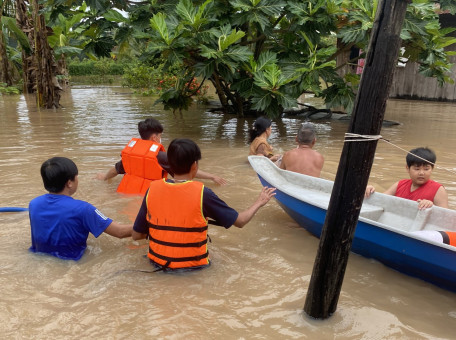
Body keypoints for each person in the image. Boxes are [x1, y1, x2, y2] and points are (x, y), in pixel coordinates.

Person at [132, 138, 276, 271]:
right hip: (192, 271)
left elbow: (137, 235)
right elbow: (240, 221)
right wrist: (260, 202)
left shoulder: (152, 189)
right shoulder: (203, 193)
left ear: (169, 164)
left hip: (156, 265)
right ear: (194, 166)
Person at [29, 157, 133, 261]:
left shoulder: (34, 204)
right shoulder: (83, 209)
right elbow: (120, 232)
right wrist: (146, 223)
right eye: (76, 176)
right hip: (72, 263)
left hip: (38, 258)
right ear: (69, 183)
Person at [96, 118, 227, 195]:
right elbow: (187, 170)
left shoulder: (131, 155)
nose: (160, 138)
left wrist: (104, 177)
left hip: (125, 194)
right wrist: (212, 176)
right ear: (154, 137)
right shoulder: (160, 156)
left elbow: (115, 170)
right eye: (160, 135)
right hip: (151, 197)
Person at [365, 147, 449, 209]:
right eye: (417, 169)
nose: (421, 173)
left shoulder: (438, 189)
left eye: (426, 169)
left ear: (432, 169)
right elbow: (380, 200)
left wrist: (431, 207)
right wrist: (370, 190)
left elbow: (444, 217)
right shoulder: (400, 184)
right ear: (407, 168)